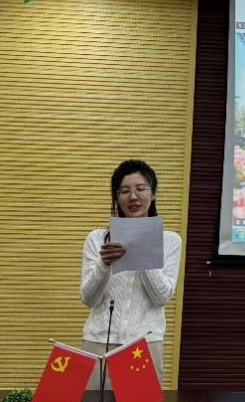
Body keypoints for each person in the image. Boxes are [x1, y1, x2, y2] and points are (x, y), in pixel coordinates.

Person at [80, 160, 182, 390]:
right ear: (117, 197)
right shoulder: (97, 239)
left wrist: (142, 251)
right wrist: (104, 264)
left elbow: (162, 297)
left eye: (141, 188)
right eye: (124, 191)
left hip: (145, 344)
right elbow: (88, 298)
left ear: (153, 194)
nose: (133, 197)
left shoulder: (170, 240)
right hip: (99, 342)